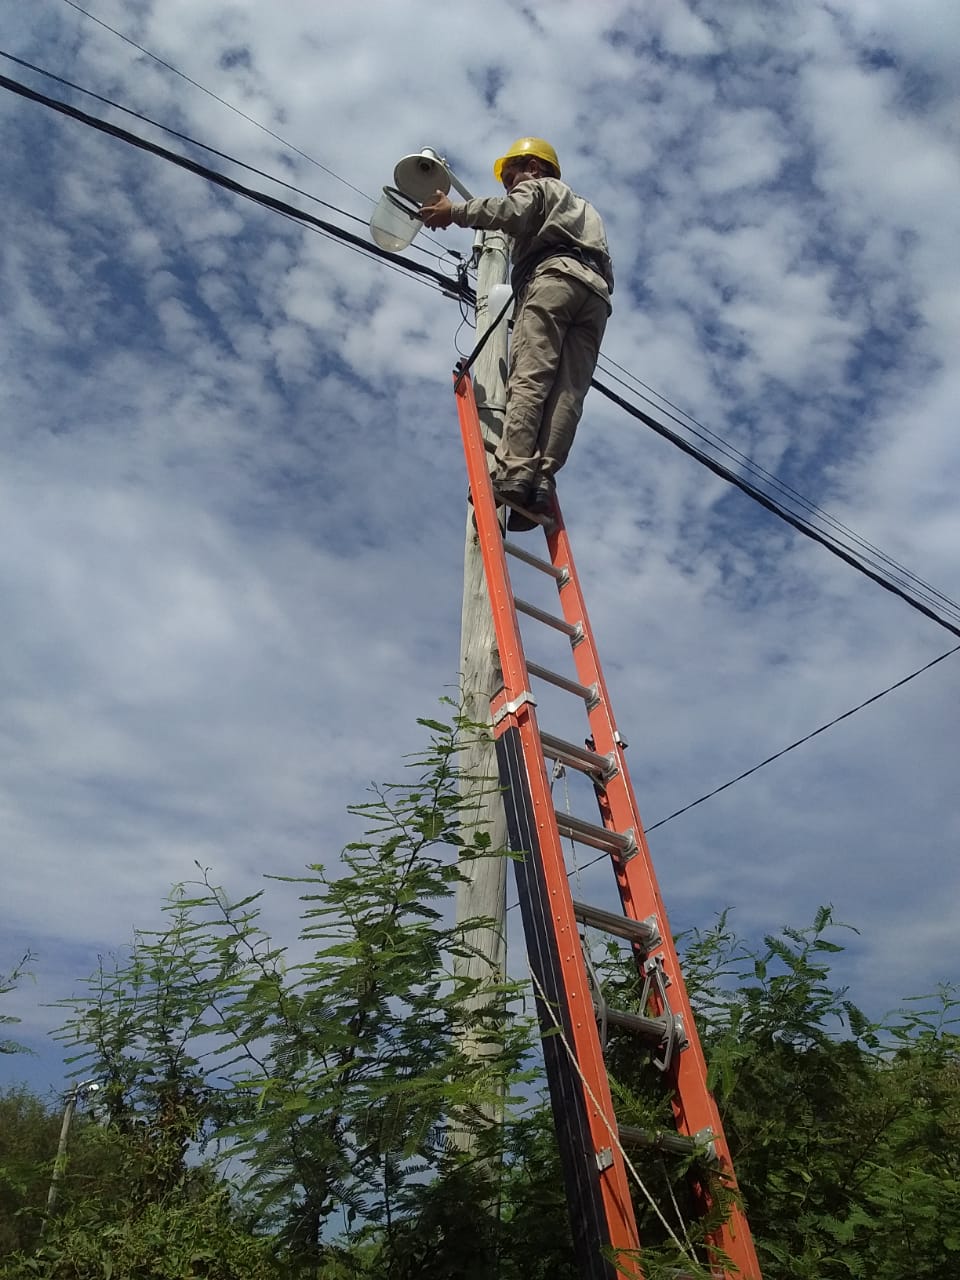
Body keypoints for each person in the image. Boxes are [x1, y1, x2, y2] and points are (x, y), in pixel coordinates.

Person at [421, 137, 613, 531]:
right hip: (595, 295)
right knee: (568, 393)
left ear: (534, 167)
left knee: (531, 377)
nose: (509, 184)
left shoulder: (540, 188)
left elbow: (511, 210)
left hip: (553, 277)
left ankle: (513, 473)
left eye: (512, 176)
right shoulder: (587, 210)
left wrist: (453, 212)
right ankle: (541, 480)